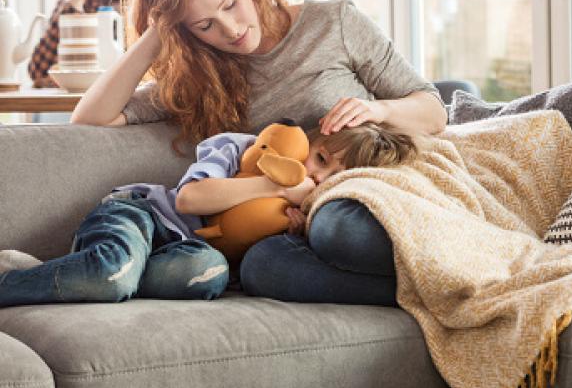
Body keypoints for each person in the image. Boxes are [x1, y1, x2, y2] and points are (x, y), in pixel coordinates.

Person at [69, 0, 446, 306]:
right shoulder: (201, 80)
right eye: (204, 25)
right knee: (261, 268)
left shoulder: (334, 23)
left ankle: (429, 283)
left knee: (338, 230)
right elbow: (91, 119)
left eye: (231, 4)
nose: (230, 30)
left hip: (362, 197)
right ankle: (422, 294)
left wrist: (379, 110)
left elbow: (433, 110)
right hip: (289, 228)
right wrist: (156, 33)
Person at [0, 121, 418, 307]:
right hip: (142, 216)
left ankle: (76, 271)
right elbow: (189, 201)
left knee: (206, 276)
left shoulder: (310, 218)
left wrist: (299, 222)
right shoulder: (245, 148)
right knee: (112, 272)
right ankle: (17, 279)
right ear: (311, 138)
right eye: (322, 157)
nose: (315, 174)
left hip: (186, 256)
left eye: (330, 177)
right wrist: (274, 184)